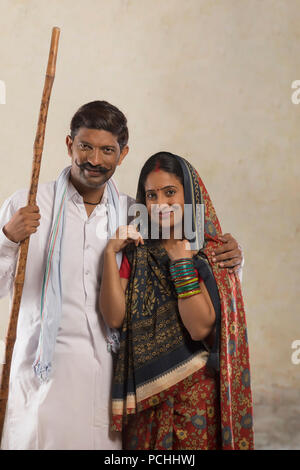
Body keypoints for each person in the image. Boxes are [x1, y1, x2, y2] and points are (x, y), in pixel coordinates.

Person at [0, 101, 244, 450]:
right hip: (42, 381)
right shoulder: (29, 206)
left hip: (111, 386)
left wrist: (234, 255)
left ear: (123, 153)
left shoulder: (137, 213)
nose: (94, 160)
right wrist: (7, 238)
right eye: (85, 146)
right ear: (69, 145)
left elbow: (191, 252)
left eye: (107, 150)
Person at [100, 152, 254, 450]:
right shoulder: (138, 251)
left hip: (196, 401)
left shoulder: (210, 252)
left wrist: (182, 263)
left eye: (170, 192)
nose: (160, 204)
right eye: (151, 195)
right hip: (145, 401)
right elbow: (115, 318)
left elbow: (199, 328)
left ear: (189, 195)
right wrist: (109, 254)